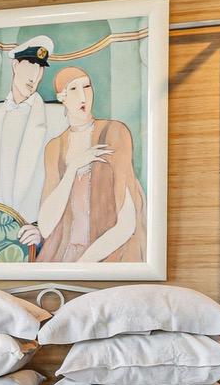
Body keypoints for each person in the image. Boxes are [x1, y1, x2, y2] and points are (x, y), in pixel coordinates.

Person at [0, 37, 65, 261]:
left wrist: (43, 229)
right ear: (15, 65)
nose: (35, 76)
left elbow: (66, 182)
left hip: (35, 236)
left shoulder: (57, 118)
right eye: (31, 65)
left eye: (40, 68)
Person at [35, 64, 145, 264]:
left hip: (108, 252)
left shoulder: (115, 132)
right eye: (74, 89)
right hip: (63, 253)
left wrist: (84, 264)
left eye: (86, 87)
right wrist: (73, 169)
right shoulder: (54, 147)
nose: (83, 96)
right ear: (62, 97)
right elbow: (46, 226)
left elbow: (127, 223)